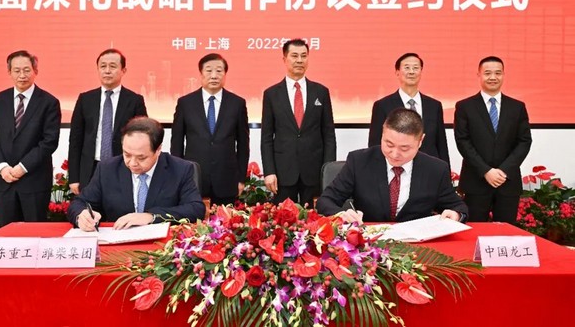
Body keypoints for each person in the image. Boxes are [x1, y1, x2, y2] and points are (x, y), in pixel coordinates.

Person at [317, 108, 467, 224]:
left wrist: (456, 215)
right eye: (389, 144)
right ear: (382, 134)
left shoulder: (436, 169)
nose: (395, 154)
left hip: (418, 245)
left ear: (420, 141)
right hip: (371, 243)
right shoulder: (359, 161)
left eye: (404, 148)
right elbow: (326, 201)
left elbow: (458, 207)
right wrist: (341, 215)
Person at [67, 116, 206, 230]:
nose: (132, 163)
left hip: (161, 247)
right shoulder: (107, 169)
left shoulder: (180, 169)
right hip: (118, 244)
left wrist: (152, 216)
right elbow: (79, 203)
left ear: (158, 150)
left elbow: (195, 209)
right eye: (127, 154)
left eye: (141, 158)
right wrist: (82, 215)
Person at [0, 50, 61, 226]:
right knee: (7, 233)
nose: (22, 75)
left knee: (35, 233)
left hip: (34, 181)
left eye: (27, 70)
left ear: (35, 71)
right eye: (17, 70)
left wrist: (22, 167)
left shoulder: (49, 102)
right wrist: (2, 167)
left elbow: (49, 141)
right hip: (4, 181)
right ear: (9, 72)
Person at [454, 56, 532, 223]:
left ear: (503, 75)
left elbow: (524, 141)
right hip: (476, 181)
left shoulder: (517, 107)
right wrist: (486, 171)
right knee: (474, 230)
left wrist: (503, 171)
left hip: (507, 182)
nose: (493, 77)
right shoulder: (464, 106)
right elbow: (463, 141)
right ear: (479, 75)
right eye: (487, 73)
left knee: (506, 231)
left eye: (497, 73)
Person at [261, 39, 336, 207]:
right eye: (294, 56)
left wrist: (328, 171)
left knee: (316, 218)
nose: (299, 60)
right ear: (284, 59)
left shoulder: (321, 92)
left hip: (314, 171)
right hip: (283, 172)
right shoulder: (272, 94)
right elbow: (266, 138)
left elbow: (329, 135)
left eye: (304, 56)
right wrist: (269, 171)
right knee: (283, 219)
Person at [170, 53, 249, 205]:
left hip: (226, 180)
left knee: (226, 219)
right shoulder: (185, 103)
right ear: (201, 73)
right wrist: (178, 176)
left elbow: (243, 145)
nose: (214, 75)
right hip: (193, 178)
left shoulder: (237, 103)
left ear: (225, 74)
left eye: (219, 71)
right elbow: (177, 143)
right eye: (209, 70)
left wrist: (240, 179)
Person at [68, 49, 147, 195]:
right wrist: (74, 177)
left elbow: (142, 138)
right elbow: (75, 140)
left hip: (123, 167)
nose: (107, 71)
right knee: (89, 208)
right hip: (90, 168)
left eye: (113, 66)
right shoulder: (85, 99)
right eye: (103, 66)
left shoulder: (134, 100)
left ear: (123, 70)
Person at [368, 53, 449, 165]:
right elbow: (375, 144)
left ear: (421, 72)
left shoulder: (434, 105)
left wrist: (445, 170)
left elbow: (441, 144)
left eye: (416, 68)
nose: (411, 72)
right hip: (396, 166)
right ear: (397, 72)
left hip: (429, 168)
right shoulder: (382, 105)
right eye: (407, 67)